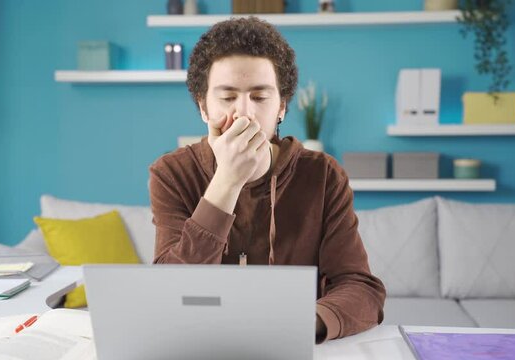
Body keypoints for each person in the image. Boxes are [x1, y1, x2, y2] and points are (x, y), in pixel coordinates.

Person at [149, 16, 385, 343]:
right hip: (200, 342)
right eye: (227, 97)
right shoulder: (172, 173)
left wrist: (300, 324)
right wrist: (227, 180)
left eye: (259, 97)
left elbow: (360, 288)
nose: (244, 114)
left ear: (282, 108)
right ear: (203, 107)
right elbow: (167, 292)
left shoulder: (324, 175)